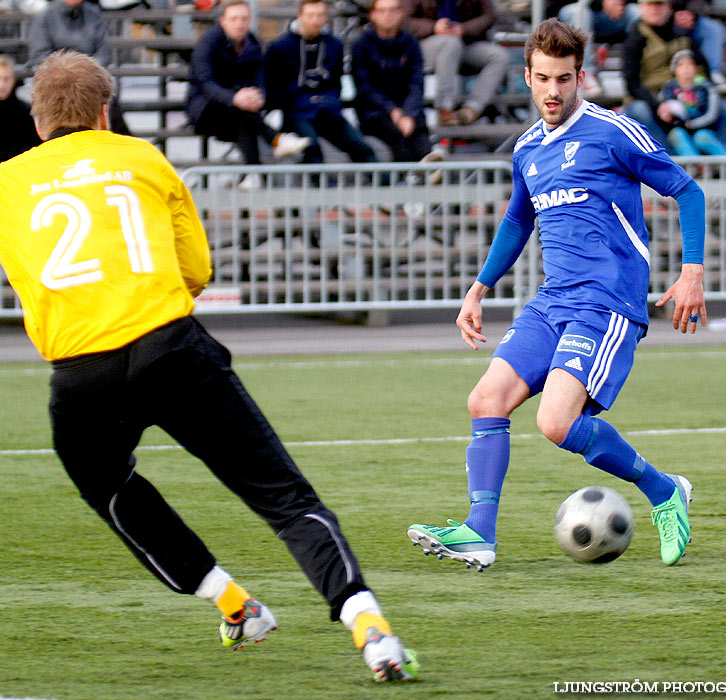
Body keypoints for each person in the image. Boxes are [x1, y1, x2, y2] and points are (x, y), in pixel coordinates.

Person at [0, 50, 416, 683]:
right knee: (283, 498)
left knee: (111, 490)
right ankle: (369, 625)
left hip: (82, 374)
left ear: (37, 123)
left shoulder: (8, 182)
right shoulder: (144, 158)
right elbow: (196, 273)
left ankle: (233, 603)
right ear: (106, 114)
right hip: (171, 348)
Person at [407, 18, 706, 571]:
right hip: (554, 300)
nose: (553, 91)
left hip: (606, 301)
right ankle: (478, 532)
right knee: (485, 401)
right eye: (542, 78)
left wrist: (691, 271)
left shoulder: (613, 130)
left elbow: (687, 191)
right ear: (526, 77)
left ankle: (665, 490)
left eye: (563, 79)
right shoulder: (526, 149)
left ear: (580, 77)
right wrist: (477, 291)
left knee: (555, 422)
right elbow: (517, 222)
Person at [186, 0, 310, 185]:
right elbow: (206, 84)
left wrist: (258, 95)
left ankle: (252, 175)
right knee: (242, 111)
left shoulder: (252, 43)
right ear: (223, 21)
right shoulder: (208, 44)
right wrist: (235, 98)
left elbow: (259, 76)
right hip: (205, 110)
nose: (239, 23)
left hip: (241, 113)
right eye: (234, 19)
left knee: (245, 119)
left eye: (244, 19)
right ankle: (275, 140)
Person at [263, 0, 378, 165]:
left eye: (320, 15)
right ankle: (317, 189)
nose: (315, 20)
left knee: (362, 148)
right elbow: (274, 84)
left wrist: (330, 101)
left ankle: (384, 184)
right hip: (297, 113)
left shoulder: (334, 45)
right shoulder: (280, 47)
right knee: (311, 149)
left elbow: (336, 81)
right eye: (310, 15)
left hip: (329, 110)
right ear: (300, 16)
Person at [622, 0, 726, 154]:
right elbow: (632, 84)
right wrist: (658, 105)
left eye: (659, 5)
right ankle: (670, 161)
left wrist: (698, 95)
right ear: (641, 7)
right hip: (655, 100)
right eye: (650, 5)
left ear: (669, 7)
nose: (654, 10)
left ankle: (723, 166)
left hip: (690, 97)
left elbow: (704, 69)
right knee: (638, 110)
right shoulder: (635, 38)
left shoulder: (684, 34)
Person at [351, 0, 445, 166]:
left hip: (407, 109)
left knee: (418, 134)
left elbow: (416, 82)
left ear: (401, 13)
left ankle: (429, 168)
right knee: (398, 138)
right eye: (382, 11)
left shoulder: (410, 42)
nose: (388, 15)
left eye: (393, 10)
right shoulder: (362, 45)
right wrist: (393, 111)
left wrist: (408, 113)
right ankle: (410, 177)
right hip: (375, 112)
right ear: (373, 15)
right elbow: (365, 88)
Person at [28, 0, 131, 135]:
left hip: (91, 81)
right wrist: (67, 71)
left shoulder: (94, 14)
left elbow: (104, 52)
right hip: (56, 82)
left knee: (110, 101)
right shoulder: (45, 16)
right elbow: (39, 55)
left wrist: (85, 73)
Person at [401, 0, 510, 126]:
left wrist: (463, 29)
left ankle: (471, 110)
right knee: (450, 43)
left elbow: (489, 16)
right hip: (423, 45)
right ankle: (444, 108)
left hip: (464, 42)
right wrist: (433, 27)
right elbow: (403, 20)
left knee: (498, 56)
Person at [558, 0, 641, 98]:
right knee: (576, 11)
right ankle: (586, 75)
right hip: (583, 15)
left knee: (639, 12)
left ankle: (638, 75)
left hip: (617, 15)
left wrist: (620, 3)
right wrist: (601, 3)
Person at [658, 49, 726, 155]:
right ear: (674, 69)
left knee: (702, 138)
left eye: (690, 65)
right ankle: (694, 167)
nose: (686, 69)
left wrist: (692, 124)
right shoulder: (668, 88)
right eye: (681, 65)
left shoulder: (705, 87)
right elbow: (663, 109)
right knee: (677, 135)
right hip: (678, 128)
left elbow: (711, 113)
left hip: (703, 127)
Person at [672, 0, 726, 94]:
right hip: (663, 15)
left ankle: (713, 74)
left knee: (713, 29)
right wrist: (673, 14)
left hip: (693, 19)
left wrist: (691, 13)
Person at [0, 55, 41, 162]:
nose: (2, 85)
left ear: (13, 80)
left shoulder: (25, 112)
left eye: (6, 79)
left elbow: (34, 146)